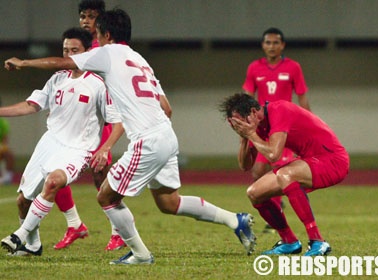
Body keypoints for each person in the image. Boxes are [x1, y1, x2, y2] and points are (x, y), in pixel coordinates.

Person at [2, 9, 256, 264]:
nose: (95, 40)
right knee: (169, 202)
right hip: (166, 135)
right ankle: (235, 220)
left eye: (97, 34)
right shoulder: (140, 60)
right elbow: (167, 107)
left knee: (106, 196)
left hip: (148, 141)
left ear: (107, 34)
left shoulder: (107, 53)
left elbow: (63, 63)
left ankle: (141, 254)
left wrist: (24, 63)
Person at [0, 27, 124, 257]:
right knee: (22, 201)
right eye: (65, 50)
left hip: (79, 149)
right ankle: (33, 246)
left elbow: (118, 122)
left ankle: (19, 234)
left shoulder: (98, 83)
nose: (68, 55)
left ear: (87, 52)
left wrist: (105, 148)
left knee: (53, 182)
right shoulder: (57, 79)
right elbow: (31, 105)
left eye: (74, 50)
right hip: (49, 143)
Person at [219, 93, 349, 256]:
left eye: (240, 121)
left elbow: (273, 155)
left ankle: (318, 241)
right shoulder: (255, 126)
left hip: (332, 160)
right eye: (235, 124)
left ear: (253, 111)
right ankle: (289, 242)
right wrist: (244, 138)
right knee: (254, 193)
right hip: (310, 161)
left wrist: (251, 134)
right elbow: (245, 165)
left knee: (285, 174)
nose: (240, 126)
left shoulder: (279, 110)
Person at [52, 0, 128, 252]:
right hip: (75, 120)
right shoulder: (78, 46)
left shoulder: (106, 47)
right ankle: (74, 224)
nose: (86, 20)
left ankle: (119, 231)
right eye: (83, 16)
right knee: (54, 171)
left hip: (101, 120)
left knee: (101, 179)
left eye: (92, 16)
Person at [242, 27, 310, 233]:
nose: (272, 46)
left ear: (283, 45)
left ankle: (277, 214)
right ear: (263, 45)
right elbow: (246, 96)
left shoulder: (293, 67)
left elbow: (302, 97)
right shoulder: (254, 68)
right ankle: (274, 205)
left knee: (281, 168)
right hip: (264, 127)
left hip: (285, 127)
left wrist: (306, 124)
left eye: (276, 43)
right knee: (257, 171)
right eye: (268, 43)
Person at [0, 99, 15, 185]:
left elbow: (5, 140)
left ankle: (7, 177)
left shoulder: (3, 123)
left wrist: (2, 147)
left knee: (9, 155)